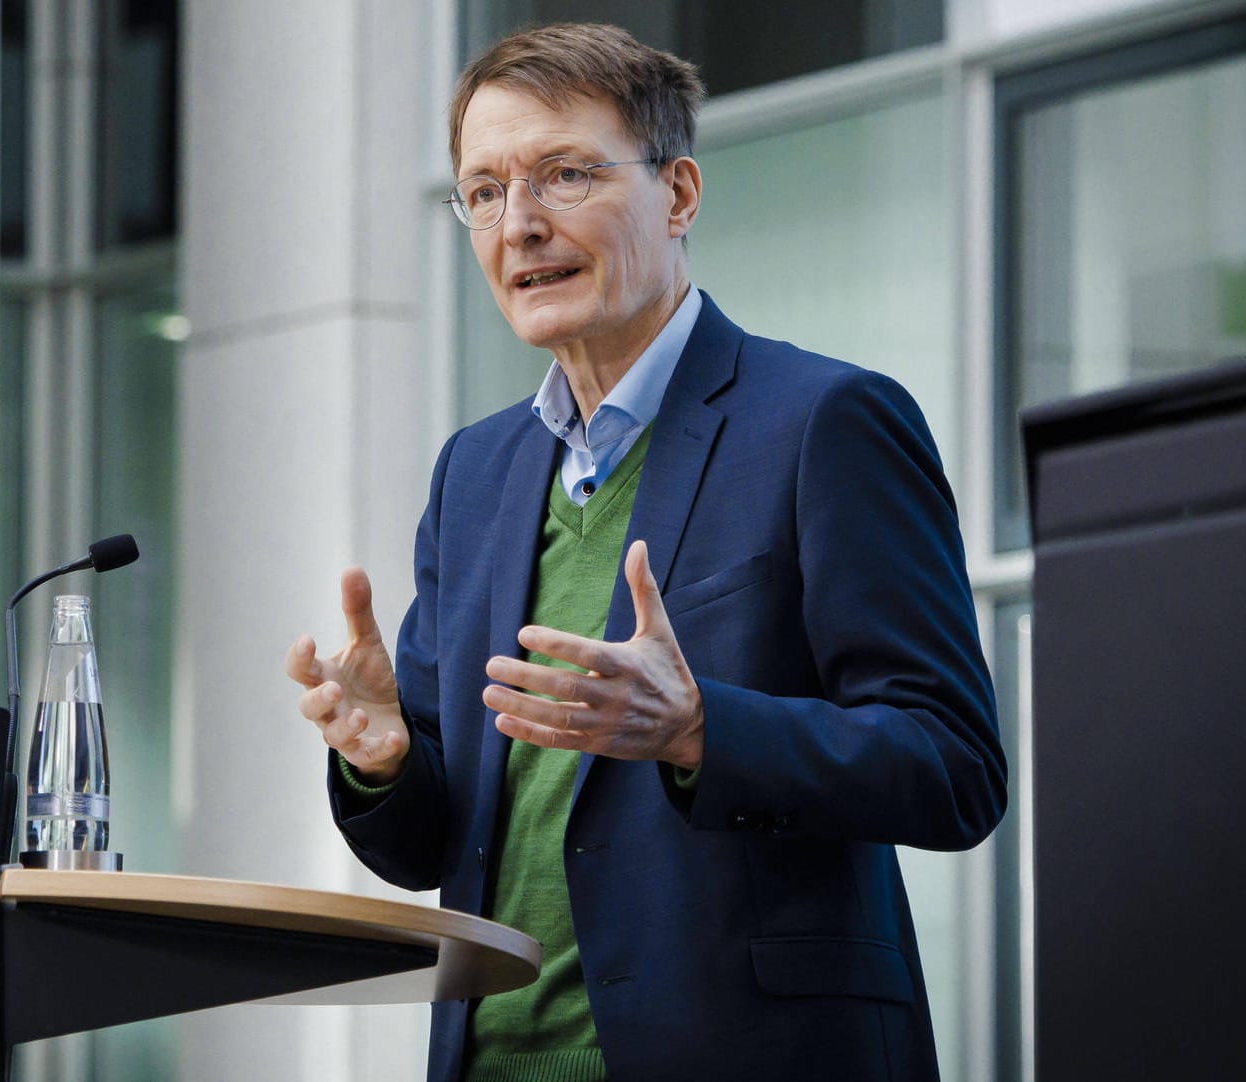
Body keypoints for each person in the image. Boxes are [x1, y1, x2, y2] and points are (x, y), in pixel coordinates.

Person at [286, 23, 1006, 1082]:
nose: (518, 224)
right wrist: (386, 757)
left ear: (678, 195)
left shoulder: (825, 422)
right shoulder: (475, 472)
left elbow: (953, 766)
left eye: (564, 173)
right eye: (482, 192)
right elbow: (427, 843)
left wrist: (703, 729)